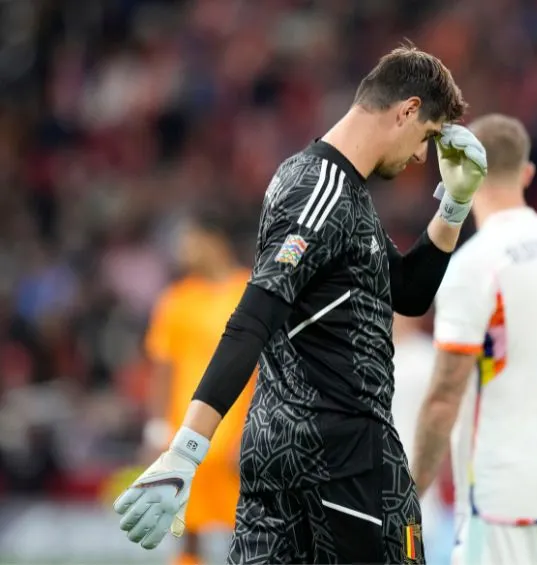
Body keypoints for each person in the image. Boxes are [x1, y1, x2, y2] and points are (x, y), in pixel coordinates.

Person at [113, 44, 488, 565]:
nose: (423, 158)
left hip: (281, 459)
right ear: (406, 110)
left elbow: (405, 293)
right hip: (346, 463)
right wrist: (186, 450)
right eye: (426, 137)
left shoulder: (325, 184)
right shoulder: (326, 191)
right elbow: (253, 317)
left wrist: (454, 205)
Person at [411, 114, 537, 565]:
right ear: (526, 174)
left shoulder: (475, 264)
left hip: (500, 491)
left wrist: (411, 494)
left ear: (464, 174)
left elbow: (446, 395)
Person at [142, 210, 255, 565]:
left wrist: (253, 429)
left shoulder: (250, 292)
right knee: (186, 528)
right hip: (186, 435)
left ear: (213, 240)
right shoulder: (176, 300)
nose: (181, 251)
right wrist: (157, 428)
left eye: (188, 241)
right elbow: (163, 368)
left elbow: (266, 367)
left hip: (235, 433)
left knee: (250, 525)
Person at [390, 314, 451, 561]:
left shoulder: (427, 358)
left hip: (414, 515)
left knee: (410, 555)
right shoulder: (366, 358)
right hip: (384, 511)